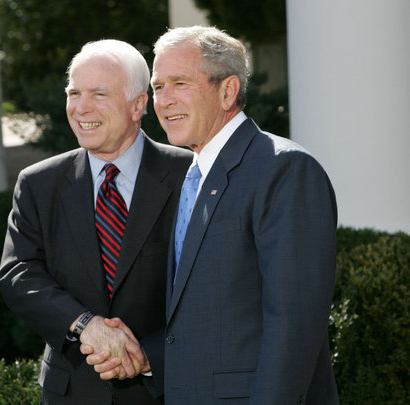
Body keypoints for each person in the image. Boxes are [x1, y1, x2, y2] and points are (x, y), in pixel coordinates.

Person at [88, 26, 340, 404]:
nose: (165, 101)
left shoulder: (284, 170)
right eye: (158, 87)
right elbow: (205, 313)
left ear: (228, 91)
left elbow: (294, 327)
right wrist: (148, 357)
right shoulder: (191, 175)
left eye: (180, 84)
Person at [0, 39, 192, 405]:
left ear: (138, 105)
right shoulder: (38, 183)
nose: (81, 107)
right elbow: (19, 273)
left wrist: (150, 355)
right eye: (74, 93)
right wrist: (85, 324)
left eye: (99, 94)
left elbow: (214, 288)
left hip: (166, 389)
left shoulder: (189, 177)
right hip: (71, 392)